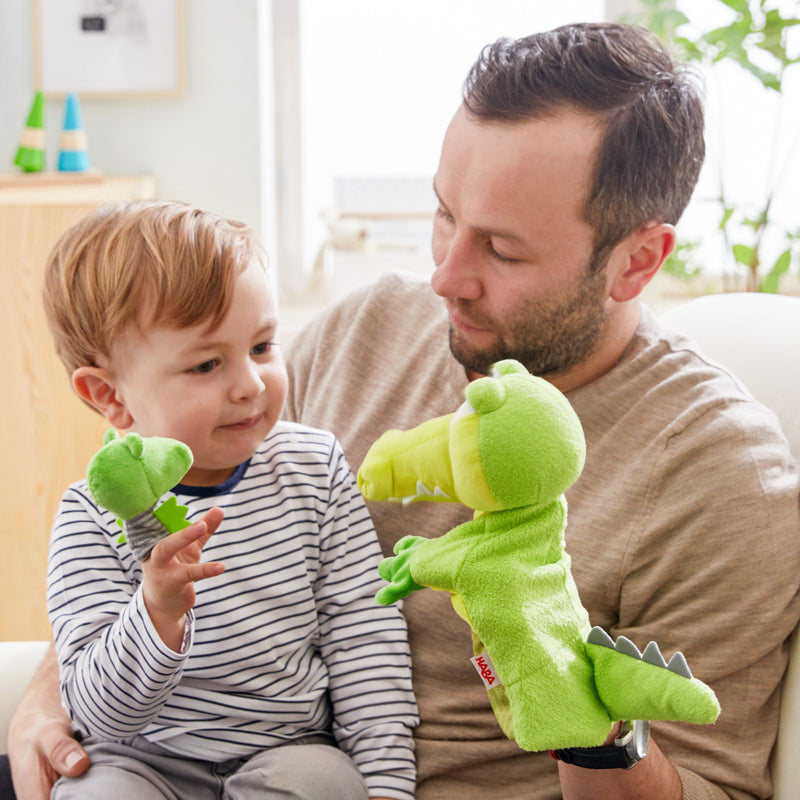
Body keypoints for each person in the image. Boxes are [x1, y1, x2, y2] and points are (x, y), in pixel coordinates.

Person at [5, 20, 800, 800]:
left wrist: (578, 714)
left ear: (637, 261)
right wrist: (48, 695)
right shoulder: (369, 328)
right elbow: (157, 536)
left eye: (502, 249)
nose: (444, 277)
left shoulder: (722, 477)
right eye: (445, 215)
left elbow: (710, 787)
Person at [30, 200, 418, 800]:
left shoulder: (316, 469)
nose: (251, 384)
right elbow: (98, 711)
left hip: (288, 750)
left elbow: (364, 636)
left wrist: (388, 788)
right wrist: (156, 615)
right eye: (208, 364)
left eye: (263, 346)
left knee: (326, 785)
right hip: (142, 758)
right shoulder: (89, 514)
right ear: (109, 395)